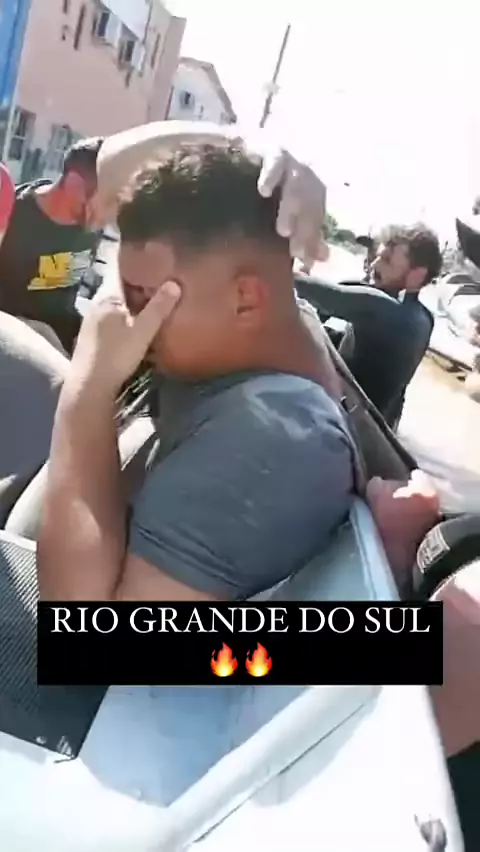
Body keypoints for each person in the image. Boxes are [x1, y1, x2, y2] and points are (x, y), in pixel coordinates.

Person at [37, 142, 357, 602]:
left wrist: (90, 383)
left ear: (246, 298)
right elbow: (112, 166)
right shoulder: (260, 330)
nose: (128, 316)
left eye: (147, 297)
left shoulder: (273, 441)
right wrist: (255, 149)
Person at [295, 223, 442, 428]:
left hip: (349, 429)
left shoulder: (388, 310)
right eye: (377, 257)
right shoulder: (425, 318)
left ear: (417, 275)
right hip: (377, 427)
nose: (374, 265)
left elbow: (331, 296)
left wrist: (292, 269)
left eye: (387, 260)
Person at [0, 136, 104, 354]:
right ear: (74, 183)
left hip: (66, 339)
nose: (104, 214)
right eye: (102, 198)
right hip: (16, 342)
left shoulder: (92, 226)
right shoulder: (13, 214)